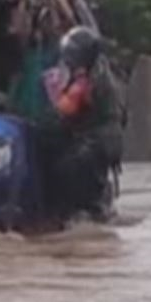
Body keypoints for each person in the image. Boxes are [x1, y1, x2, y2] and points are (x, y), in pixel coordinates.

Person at [52, 26, 124, 220]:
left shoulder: (89, 79)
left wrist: (53, 95)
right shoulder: (100, 70)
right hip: (107, 138)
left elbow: (65, 109)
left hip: (99, 140)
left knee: (66, 166)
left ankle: (85, 209)